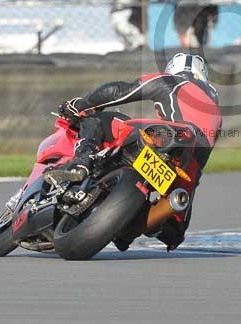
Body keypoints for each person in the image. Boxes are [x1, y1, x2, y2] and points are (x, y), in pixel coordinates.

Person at [44, 53, 221, 251]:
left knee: (96, 119)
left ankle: (82, 161)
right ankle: (134, 225)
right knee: (175, 231)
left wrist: (82, 104)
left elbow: (120, 91)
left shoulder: (171, 81)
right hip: (187, 168)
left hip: (166, 135)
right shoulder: (214, 107)